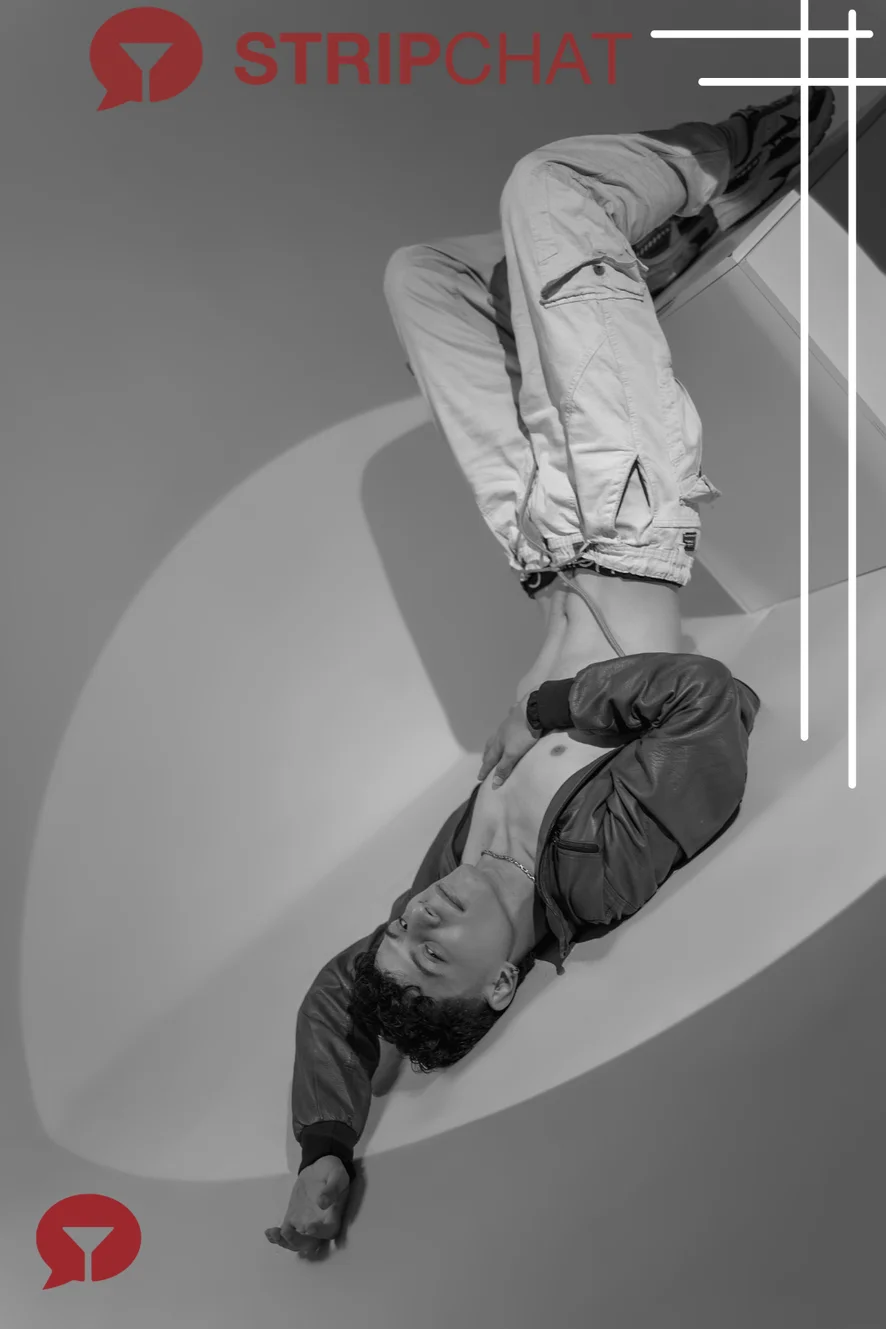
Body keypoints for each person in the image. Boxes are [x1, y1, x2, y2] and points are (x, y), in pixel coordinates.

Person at [265, 86, 835, 1256]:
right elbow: (707, 707)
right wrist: (546, 707)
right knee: (547, 188)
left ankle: (614, 268)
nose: (420, 914)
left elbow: (336, 998)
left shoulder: (458, 876)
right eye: (435, 948)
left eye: (399, 926)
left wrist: (326, 1147)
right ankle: (731, 162)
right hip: (629, 516)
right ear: (498, 987)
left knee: (419, 279)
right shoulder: (595, 880)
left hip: (535, 543)